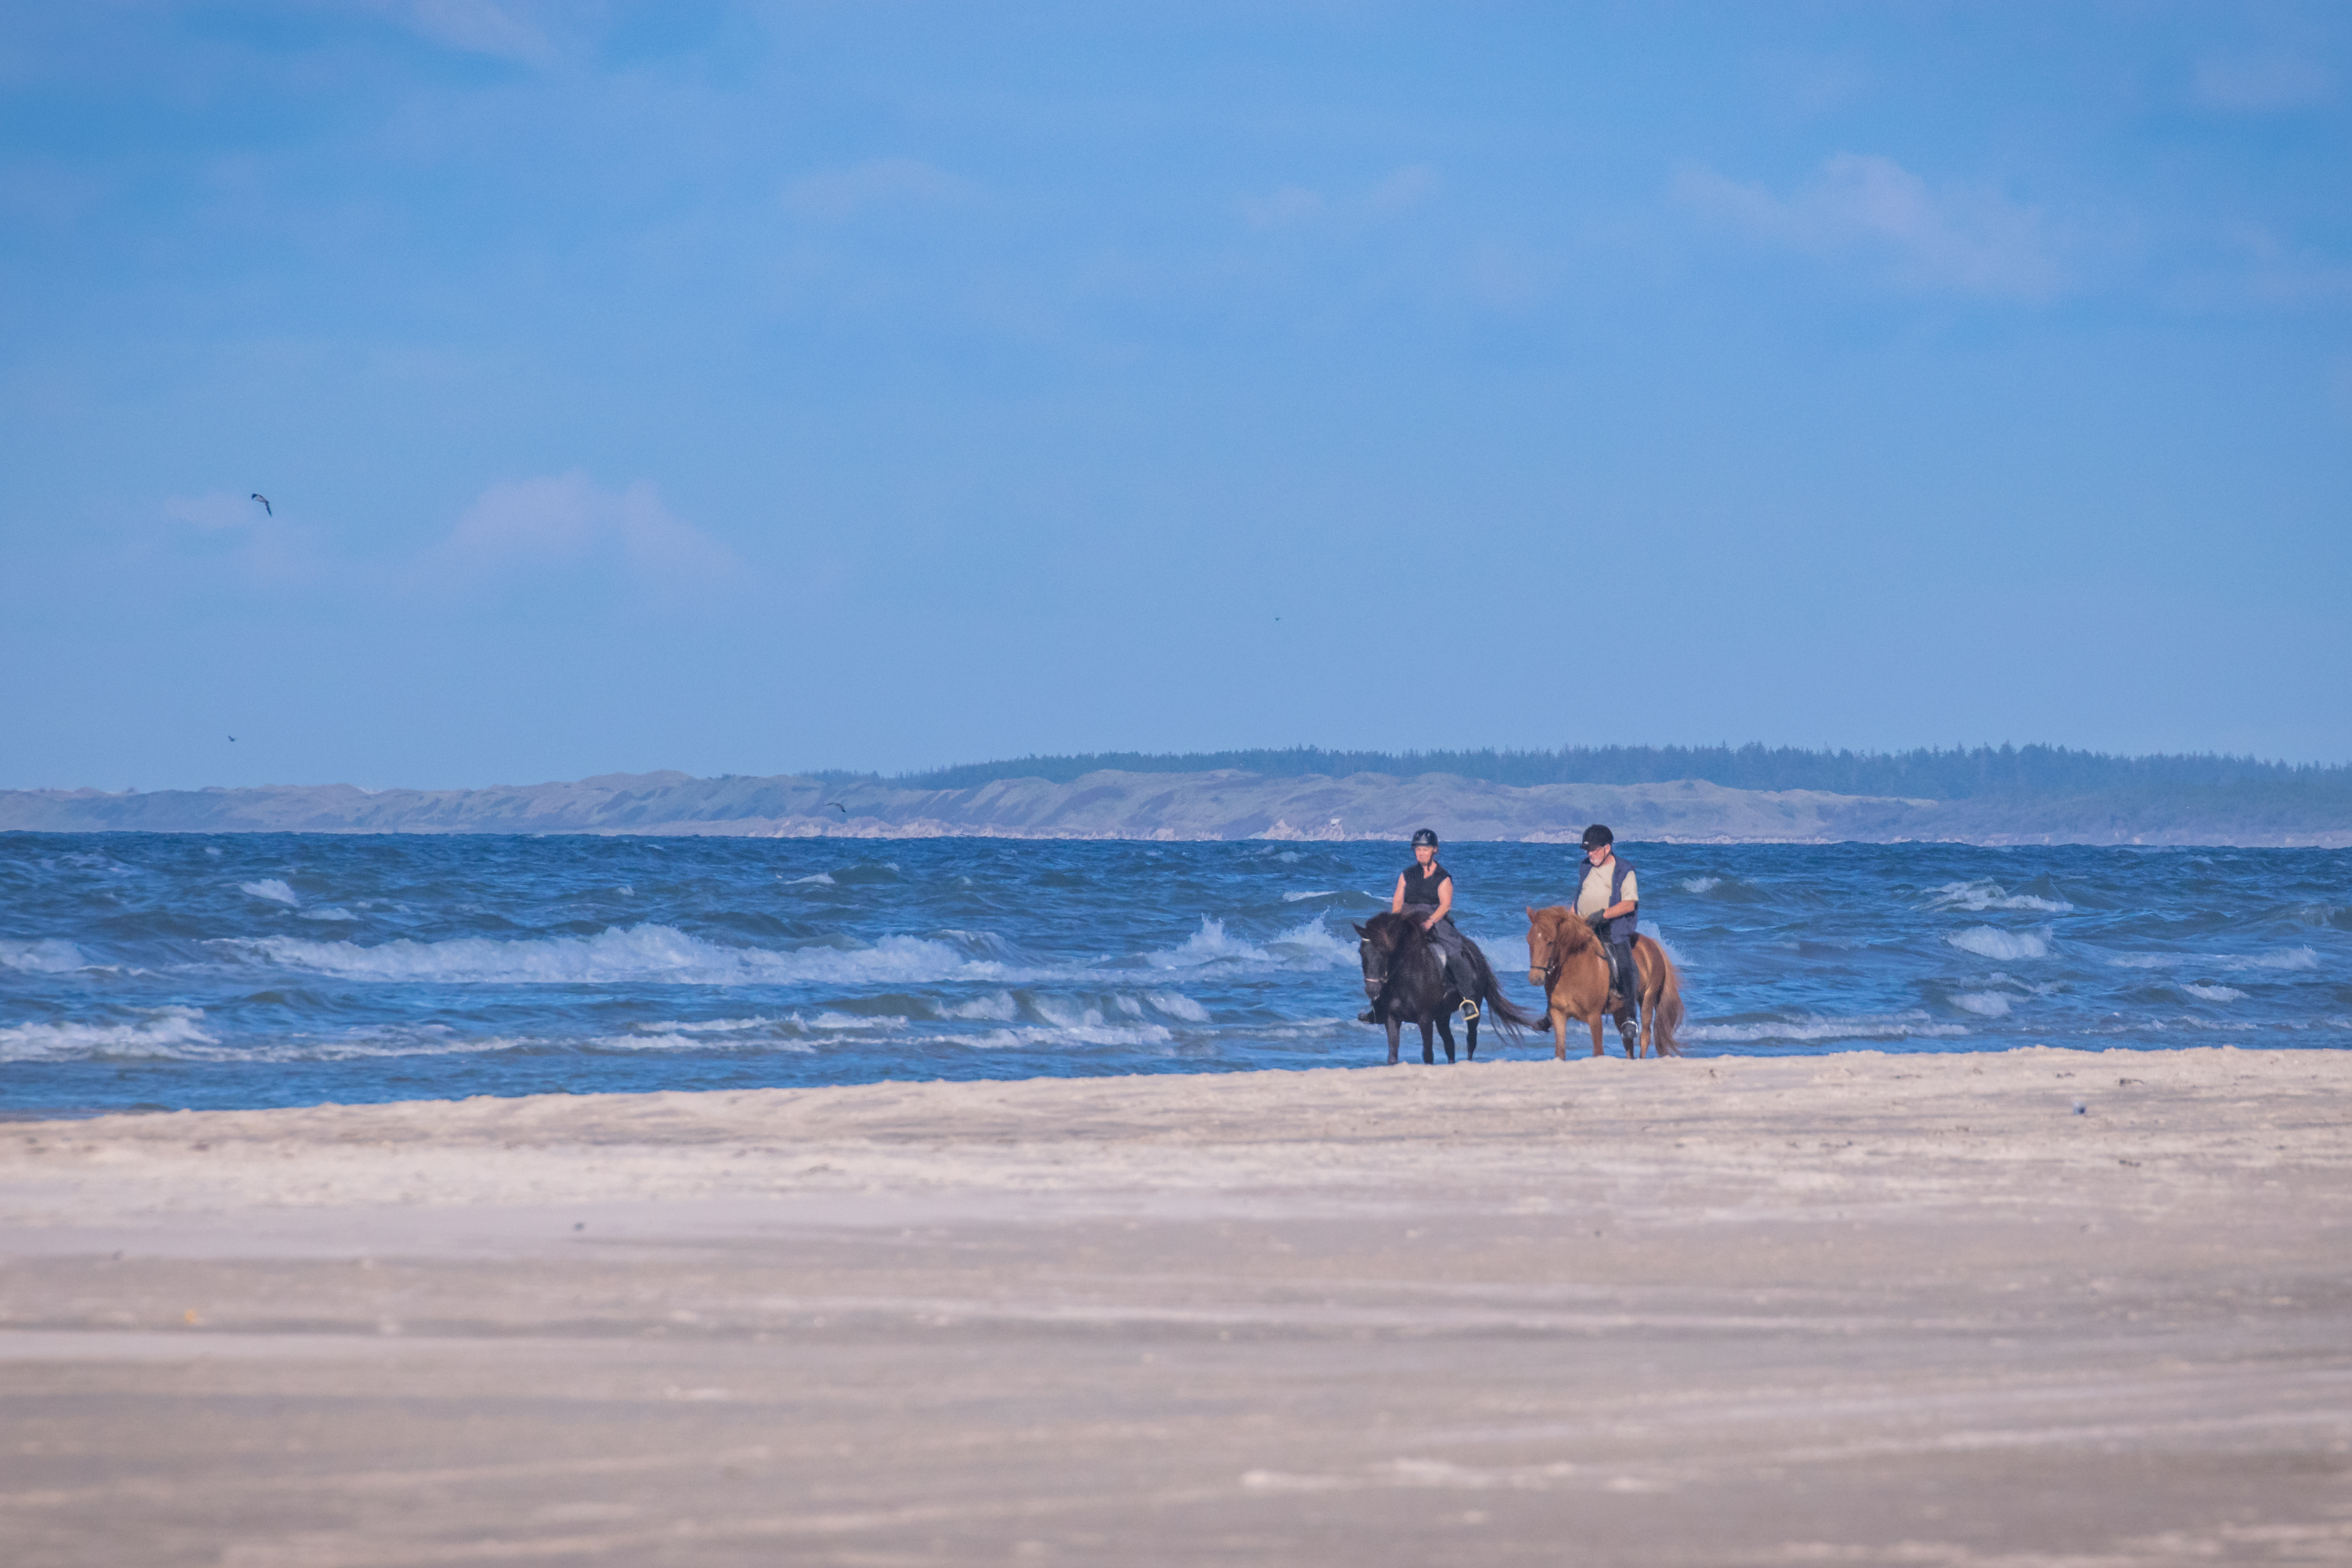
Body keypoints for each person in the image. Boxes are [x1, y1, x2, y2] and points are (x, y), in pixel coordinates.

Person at [1362, 828, 1482, 1023]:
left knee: (1454, 951)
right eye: (1418, 849)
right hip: (1408, 917)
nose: (1421, 853)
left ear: (1435, 850)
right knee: (1384, 951)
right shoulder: (1406, 875)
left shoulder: (1443, 877)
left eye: (1425, 849)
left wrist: (1430, 922)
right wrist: (1396, 922)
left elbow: (1445, 905)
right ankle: (1379, 1006)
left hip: (1434, 918)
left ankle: (1468, 999)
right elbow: (1398, 901)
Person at [1572, 824, 1641, 1019]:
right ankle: (1551, 1012)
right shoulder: (1586, 867)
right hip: (1584, 926)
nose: (1590, 854)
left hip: (1613, 928)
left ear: (1607, 848)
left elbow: (1629, 904)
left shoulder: (1624, 870)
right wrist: (1570, 919)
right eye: (1587, 850)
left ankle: (1631, 1017)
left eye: (1594, 850)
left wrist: (1603, 915)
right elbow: (1579, 898)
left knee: (1625, 965)